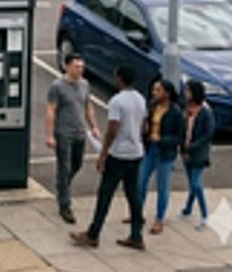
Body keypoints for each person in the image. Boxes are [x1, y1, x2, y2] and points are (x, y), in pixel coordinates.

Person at [71, 64, 147, 250]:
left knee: (105, 194)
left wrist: (103, 154)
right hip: (136, 152)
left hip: (118, 154)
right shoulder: (140, 99)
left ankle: (93, 233)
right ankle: (136, 235)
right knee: (133, 194)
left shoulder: (117, 101)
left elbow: (112, 129)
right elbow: (143, 126)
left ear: (120, 78)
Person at [46, 52, 101, 224]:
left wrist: (94, 126)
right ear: (68, 66)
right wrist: (49, 135)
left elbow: (88, 106)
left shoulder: (85, 85)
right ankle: (65, 204)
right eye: (77, 67)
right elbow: (51, 111)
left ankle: (63, 186)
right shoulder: (57, 87)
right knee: (64, 165)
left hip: (79, 132)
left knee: (77, 163)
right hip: (63, 133)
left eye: (82, 67)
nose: (80, 70)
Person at [135, 79, 184, 234]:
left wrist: (162, 139)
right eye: (154, 89)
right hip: (150, 149)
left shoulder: (175, 112)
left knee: (162, 187)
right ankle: (137, 213)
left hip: (165, 152)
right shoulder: (152, 106)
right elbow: (147, 125)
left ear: (167, 93)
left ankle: (159, 219)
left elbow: (179, 137)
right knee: (141, 182)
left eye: (158, 90)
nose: (154, 93)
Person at [180, 79, 215, 230]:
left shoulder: (205, 111)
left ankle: (204, 215)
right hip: (187, 151)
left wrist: (193, 145)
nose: (185, 93)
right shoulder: (187, 108)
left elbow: (209, 133)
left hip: (198, 152)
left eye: (188, 90)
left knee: (196, 183)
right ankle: (188, 208)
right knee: (192, 183)